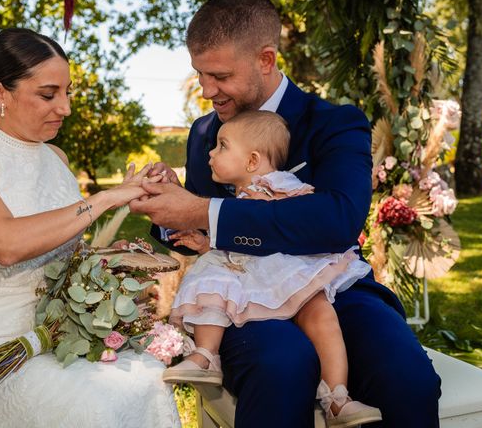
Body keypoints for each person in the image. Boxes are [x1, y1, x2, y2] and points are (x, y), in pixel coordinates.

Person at [130, 0, 441, 427]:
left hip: (333, 287)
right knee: (282, 366)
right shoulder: (204, 134)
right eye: (199, 74)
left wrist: (201, 211)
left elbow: (336, 220)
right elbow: (198, 232)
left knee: (408, 380)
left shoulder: (335, 122)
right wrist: (168, 204)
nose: (206, 90)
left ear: (266, 59)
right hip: (241, 294)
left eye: (219, 75)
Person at [0, 28, 180, 428]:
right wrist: (106, 197)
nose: (66, 107)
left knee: (147, 380)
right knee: (95, 407)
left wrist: (106, 256)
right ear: (0, 93)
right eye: (49, 94)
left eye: (68, 92)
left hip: (55, 340)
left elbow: (60, 255)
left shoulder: (57, 157)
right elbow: (6, 244)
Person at [162, 111, 381, 426]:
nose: (211, 152)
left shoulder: (278, 183)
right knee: (212, 286)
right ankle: (205, 356)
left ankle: (338, 396)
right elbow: (235, 235)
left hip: (289, 268)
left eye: (222, 146)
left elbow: (302, 212)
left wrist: (268, 205)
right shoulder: (237, 195)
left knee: (320, 313)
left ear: (252, 161)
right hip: (249, 271)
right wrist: (205, 242)